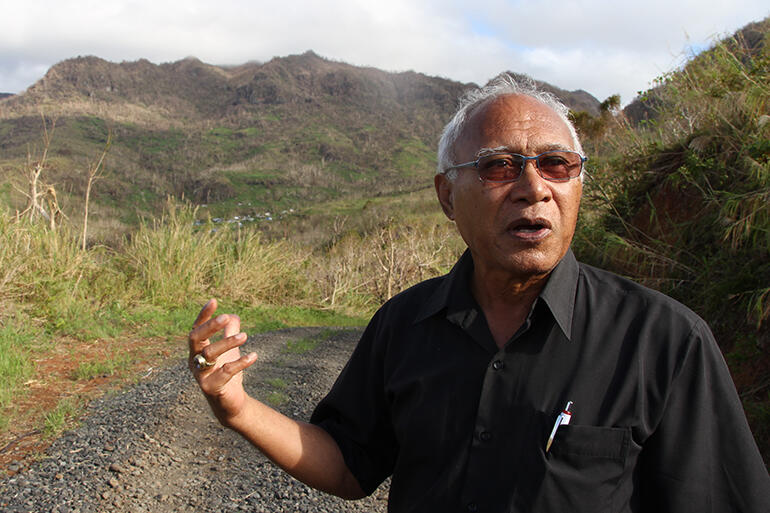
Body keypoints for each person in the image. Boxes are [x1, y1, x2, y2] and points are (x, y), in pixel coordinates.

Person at [187, 74, 770, 512]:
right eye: (499, 167)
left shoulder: (664, 342)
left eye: (556, 164)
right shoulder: (405, 324)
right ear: (447, 196)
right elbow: (348, 465)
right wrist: (238, 408)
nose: (533, 188)